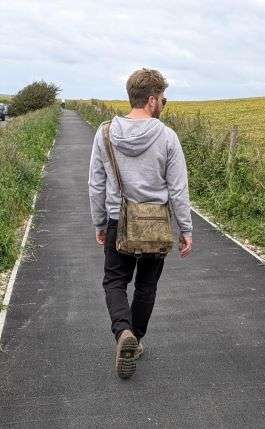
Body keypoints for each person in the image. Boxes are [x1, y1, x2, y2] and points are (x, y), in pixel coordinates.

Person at [88, 68, 193, 379]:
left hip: (118, 221)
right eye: (163, 99)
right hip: (155, 225)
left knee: (115, 281)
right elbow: (178, 189)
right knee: (146, 285)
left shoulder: (104, 133)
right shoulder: (167, 137)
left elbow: (96, 183)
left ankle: (122, 333)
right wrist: (186, 229)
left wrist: (99, 221)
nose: (164, 104)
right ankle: (137, 336)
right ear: (151, 100)